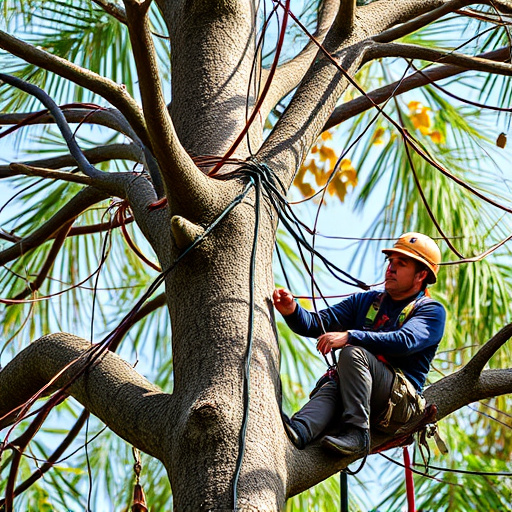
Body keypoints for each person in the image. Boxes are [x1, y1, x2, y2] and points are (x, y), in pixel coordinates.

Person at [273, 232, 446, 456]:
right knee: (336, 382)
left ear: (421, 275)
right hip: (359, 391)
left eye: (401, 264)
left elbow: (406, 341)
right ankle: (301, 430)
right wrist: (292, 310)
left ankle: (357, 433)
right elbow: (318, 324)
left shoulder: (430, 310)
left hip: (398, 404)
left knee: (352, 353)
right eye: (390, 262)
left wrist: (350, 336)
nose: (390, 269)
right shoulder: (367, 302)